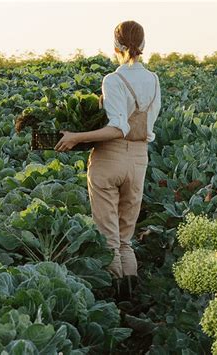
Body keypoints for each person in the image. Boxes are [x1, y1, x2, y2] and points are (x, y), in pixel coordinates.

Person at [55, 20, 161, 301]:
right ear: (143, 45)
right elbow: (146, 121)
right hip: (139, 160)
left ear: (116, 46)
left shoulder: (113, 80)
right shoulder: (153, 79)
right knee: (126, 239)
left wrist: (77, 136)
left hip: (110, 157)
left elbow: (117, 127)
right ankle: (133, 301)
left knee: (109, 240)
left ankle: (116, 305)